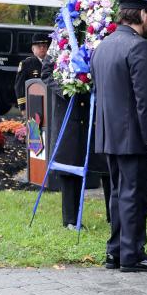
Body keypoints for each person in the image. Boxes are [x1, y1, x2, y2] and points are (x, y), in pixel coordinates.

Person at [90, 0, 147, 273]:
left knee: (118, 194)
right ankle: (132, 254)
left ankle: (116, 251)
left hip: (110, 134)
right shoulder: (138, 47)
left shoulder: (104, 45)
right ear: (143, 14)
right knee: (134, 196)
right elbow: (145, 100)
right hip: (134, 136)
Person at [41, 49, 111, 230]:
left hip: (92, 112)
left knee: (106, 165)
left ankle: (114, 214)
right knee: (70, 164)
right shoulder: (59, 41)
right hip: (69, 112)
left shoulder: (97, 35)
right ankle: (71, 219)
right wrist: (66, 88)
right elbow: (46, 73)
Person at [14, 33, 50, 114]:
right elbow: (19, 86)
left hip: (49, 102)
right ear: (33, 49)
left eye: (44, 46)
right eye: (39, 46)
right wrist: (23, 106)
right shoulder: (27, 64)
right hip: (33, 102)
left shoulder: (52, 63)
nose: (42, 48)